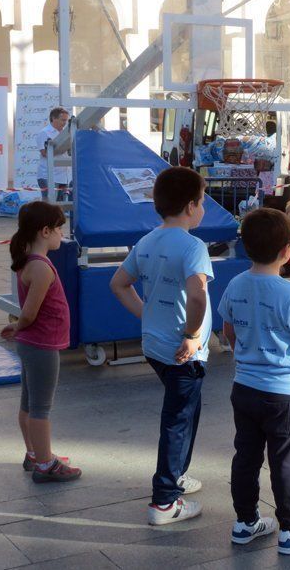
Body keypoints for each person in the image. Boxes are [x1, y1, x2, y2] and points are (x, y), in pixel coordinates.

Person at [109, 166, 213, 526]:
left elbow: (119, 284)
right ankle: (165, 501)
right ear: (189, 206)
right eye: (202, 202)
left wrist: (147, 314)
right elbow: (198, 295)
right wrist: (191, 333)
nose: (203, 209)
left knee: (186, 412)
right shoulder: (193, 246)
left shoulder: (148, 241)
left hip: (156, 346)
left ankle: (177, 476)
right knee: (178, 421)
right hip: (183, 351)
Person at [219, 208, 290, 556]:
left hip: (245, 388)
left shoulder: (235, 284)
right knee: (285, 462)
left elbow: (228, 331)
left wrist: (244, 357)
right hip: (284, 394)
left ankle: (246, 522)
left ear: (245, 248)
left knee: (245, 456)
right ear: (287, 251)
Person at [1, 201, 82, 483]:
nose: (62, 234)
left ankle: (34, 454)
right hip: (41, 345)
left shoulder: (28, 262)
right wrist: (17, 325)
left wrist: (19, 328)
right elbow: (30, 312)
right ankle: (46, 464)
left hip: (32, 343)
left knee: (29, 403)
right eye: (60, 229)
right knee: (41, 408)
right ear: (45, 231)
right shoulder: (42, 268)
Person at [36, 107, 71, 202]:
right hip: (48, 176)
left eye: (66, 120)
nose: (65, 123)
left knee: (61, 207)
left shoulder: (67, 133)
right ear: (53, 118)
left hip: (64, 176)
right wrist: (61, 148)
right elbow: (44, 153)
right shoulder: (44, 133)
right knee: (48, 205)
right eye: (62, 120)